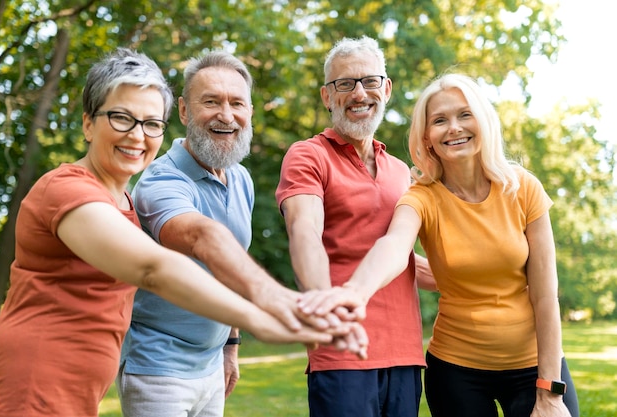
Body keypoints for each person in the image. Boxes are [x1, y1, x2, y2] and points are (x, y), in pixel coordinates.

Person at [0, 48, 339, 417]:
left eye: (151, 123)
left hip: (78, 386)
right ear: (89, 123)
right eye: (122, 118)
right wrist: (264, 312)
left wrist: (231, 342)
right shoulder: (68, 191)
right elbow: (154, 268)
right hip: (35, 382)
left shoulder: (121, 200)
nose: (137, 136)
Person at [298, 73, 580, 417]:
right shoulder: (420, 197)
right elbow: (394, 247)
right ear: (427, 137)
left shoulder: (522, 188)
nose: (454, 128)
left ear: (484, 121)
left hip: (533, 366)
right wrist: (356, 292)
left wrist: (549, 392)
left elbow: (545, 295)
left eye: (465, 115)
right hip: (457, 371)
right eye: (440, 121)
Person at [116, 51, 367, 417]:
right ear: (184, 111)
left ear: (250, 112)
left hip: (211, 366)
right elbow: (203, 238)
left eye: (237, 103)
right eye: (211, 102)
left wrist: (230, 347)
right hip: (158, 368)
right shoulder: (161, 180)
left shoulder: (240, 178)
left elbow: (230, 266)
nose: (226, 114)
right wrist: (279, 301)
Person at [276, 36, 435, 417]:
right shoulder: (308, 155)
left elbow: (401, 258)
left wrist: (493, 281)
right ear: (327, 96)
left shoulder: (401, 171)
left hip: (406, 352)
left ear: (387, 88)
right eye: (344, 84)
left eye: (369, 81)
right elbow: (305, 232)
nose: (358, 93)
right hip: (341, 348)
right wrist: (327, 311)